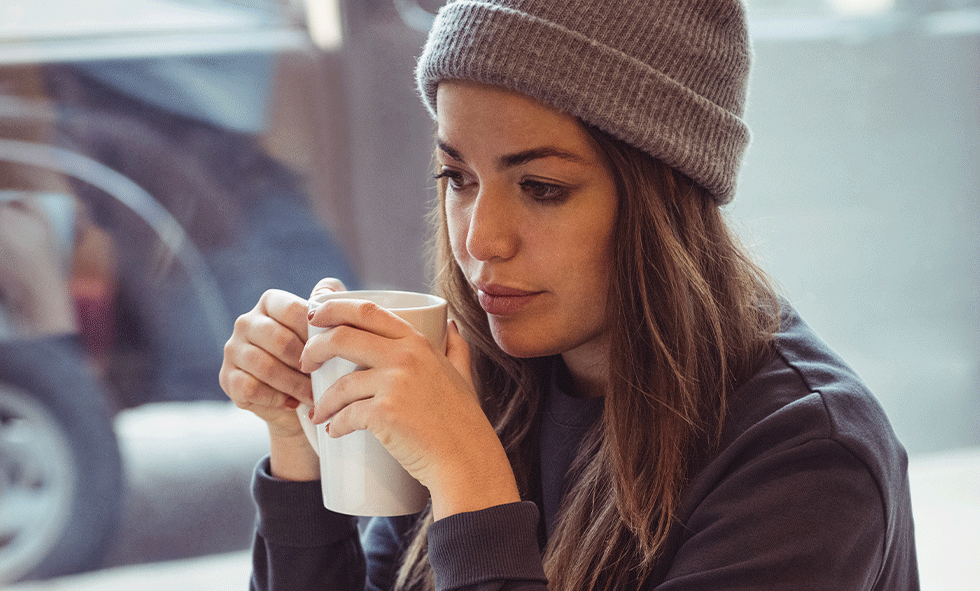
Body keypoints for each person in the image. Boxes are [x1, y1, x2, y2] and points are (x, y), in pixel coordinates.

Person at [219, 1, 919, 589]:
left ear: (664, 195)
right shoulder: (487, 375)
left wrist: (470, 480)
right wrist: (300, 452)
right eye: (457, 178)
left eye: (543, 188)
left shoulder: (807, 460)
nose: (481, 240)